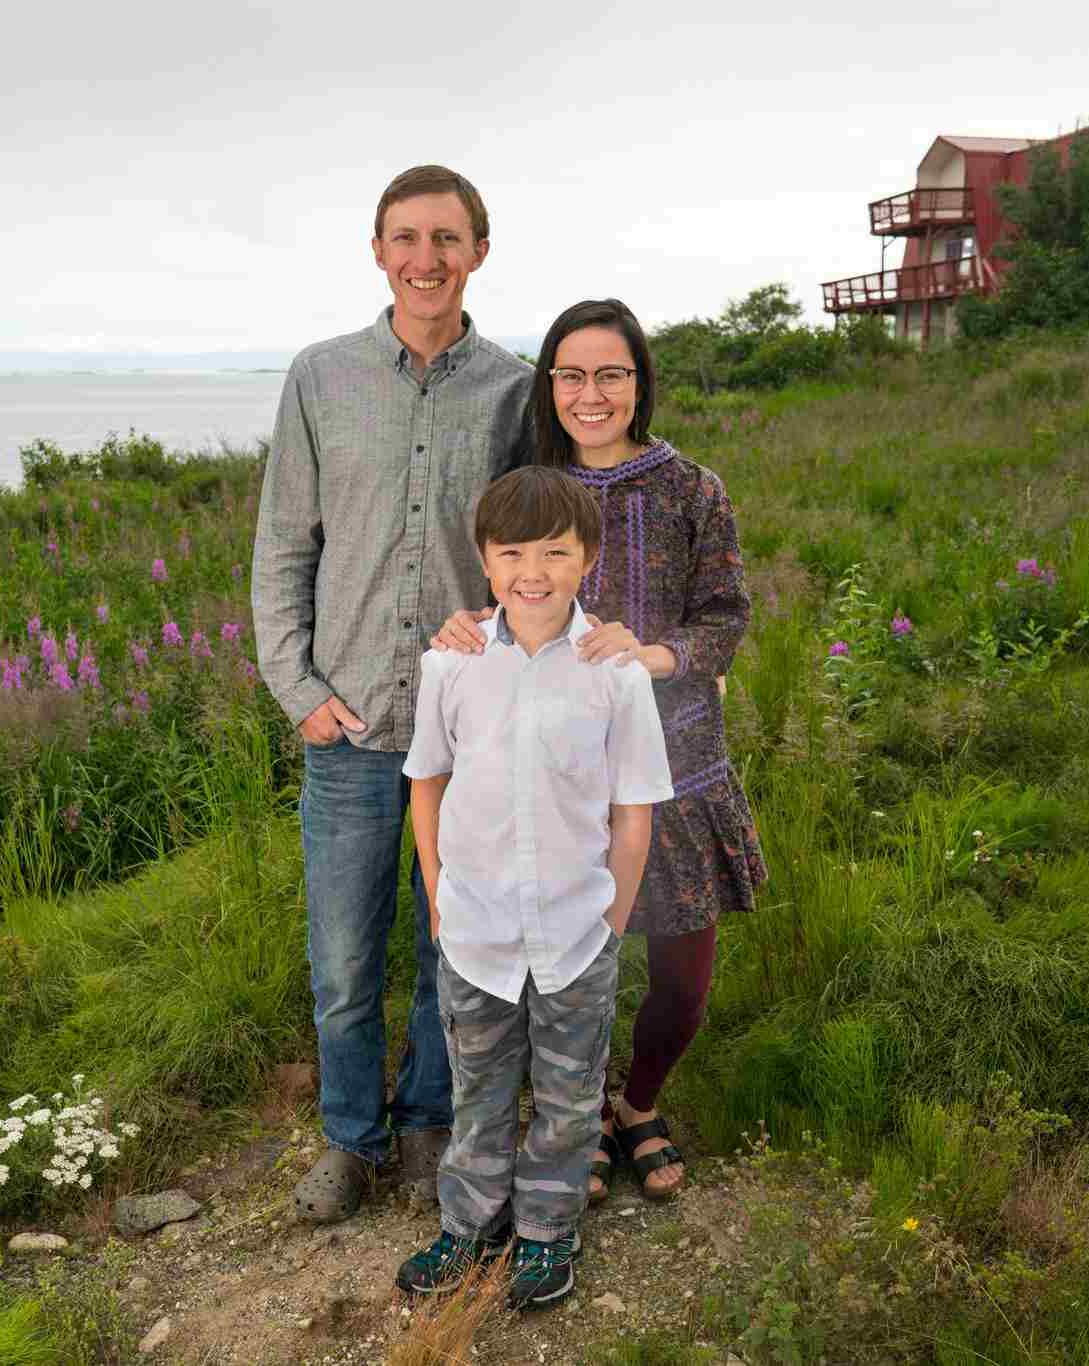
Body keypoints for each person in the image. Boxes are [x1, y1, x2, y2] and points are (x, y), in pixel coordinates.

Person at [434, 298, 767, 1202]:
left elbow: (725, 617)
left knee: (680, 980)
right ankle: (567, 1116)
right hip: (545, 781)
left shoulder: (691, 488)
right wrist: (463, 627)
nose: (592, 393)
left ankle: (637, 1100)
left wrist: (653, 653)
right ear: (551, 385)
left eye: (610, 374)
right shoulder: (526, 485)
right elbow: (489, 589)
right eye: (572, 375)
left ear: (637, 382)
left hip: (677, 765)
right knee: (549, 973)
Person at [251, 166, 531, 1222]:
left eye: (447, 238)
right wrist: (299, 689)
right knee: (343, 960)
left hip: (470, 732)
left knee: (451, 948)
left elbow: (534, 557)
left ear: (477, 252)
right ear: (377, 251)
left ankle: (424, 1126)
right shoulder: (319, 378)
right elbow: (283, 544)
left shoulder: (514, 388)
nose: (427, 258)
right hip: (352, 725)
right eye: (407, 237)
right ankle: (348, 1140)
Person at [395, 466, 672, 1309]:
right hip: (474, 928)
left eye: (554, 552)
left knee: (566, 1095)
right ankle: (468, 1226)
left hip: (575, 930)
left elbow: (632, 814)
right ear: (484, 560)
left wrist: (611, 918)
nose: (533, 571)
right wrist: (440, 895)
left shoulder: (613, 671)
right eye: (512, 551)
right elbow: (428, 784)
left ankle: (548, 1235)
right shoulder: (453, 662)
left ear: (585, 558)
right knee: (476, 1089)